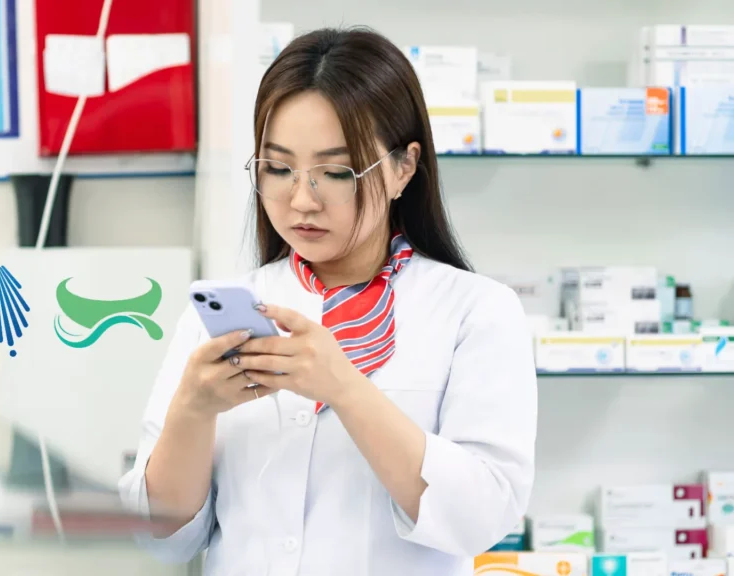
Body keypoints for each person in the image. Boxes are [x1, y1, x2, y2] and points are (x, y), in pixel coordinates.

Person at [119, 27, 537, 576]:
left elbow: (483, 517)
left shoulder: (476, 311)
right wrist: (192, 411)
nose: (301, 200)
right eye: (278, 169)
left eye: (336, 172)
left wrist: (343, 387)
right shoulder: (224, 312)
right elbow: (161, 540)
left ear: (404, 167)